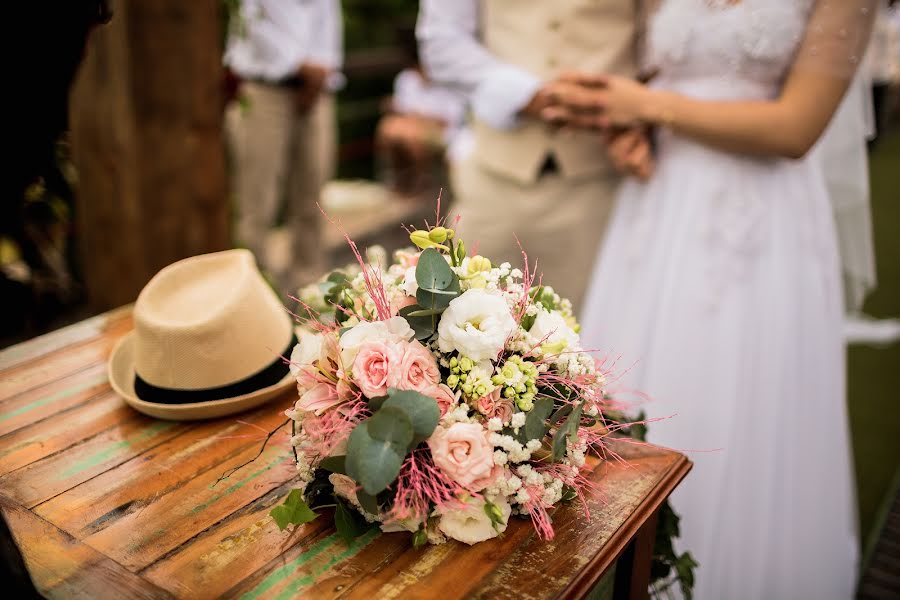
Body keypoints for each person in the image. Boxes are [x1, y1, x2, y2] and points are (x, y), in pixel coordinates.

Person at [557, 1, 876, 597]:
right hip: (660, 199)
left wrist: (644, 106)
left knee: (725, 390)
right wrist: (633, 128)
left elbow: (796, 128)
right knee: (632, 381)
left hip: (757, 212)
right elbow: (670, 71)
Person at [416, 0, 653, 309]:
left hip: (611, 182)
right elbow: (442, 39)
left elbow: (665, 45)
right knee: (462, 327)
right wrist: (532, 96)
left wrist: (640, 117)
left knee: (602, 343)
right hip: (493, 178)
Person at [224, 0, 343, 292]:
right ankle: (252, 290)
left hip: (318, 94)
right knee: (256, 199)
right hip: (264, 90)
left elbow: (328, 29)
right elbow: (254, 26)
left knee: (313, 196)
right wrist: (300, 66)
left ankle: (311, 288)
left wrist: (316, 76)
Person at [375, 25, 467, 200]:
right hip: (413, 127)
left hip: (442, 133)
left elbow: (448, 120)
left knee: (404, 132)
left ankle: (414, 184)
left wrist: (415, 116)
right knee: (391, 128)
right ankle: (408, 181)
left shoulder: (448, 83)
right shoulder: (406, 80)